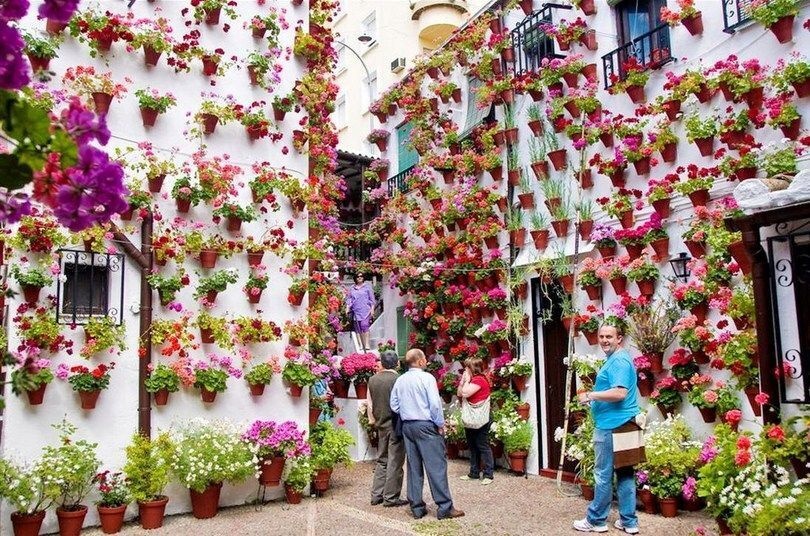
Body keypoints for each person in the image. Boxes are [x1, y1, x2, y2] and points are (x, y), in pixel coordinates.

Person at [573, 324, 640, 535]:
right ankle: (629, 522)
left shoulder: (619, 361)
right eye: (601, 336)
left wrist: (591, 396)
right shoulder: (619, 358)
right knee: (625, 473)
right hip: (626, 422)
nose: (604, 340)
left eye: (609, 336)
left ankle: (596, 520)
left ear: (619, 338)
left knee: (603, 474)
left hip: (612, 426)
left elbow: (620, 393)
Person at [390, 348, 464, 520]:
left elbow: (394, 405)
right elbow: (435, 405)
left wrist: (407, 412)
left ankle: (416, 507)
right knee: (436, 466)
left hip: (408, 425)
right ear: (421, 361)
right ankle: (444, 507)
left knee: (414, 466)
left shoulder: (400, 380)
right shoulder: (427, 378)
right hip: (425, 424)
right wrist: (439, 424)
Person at [366, 350, 407, 507]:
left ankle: (376, 495)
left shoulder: (372, 380)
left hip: (380, 424)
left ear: (381, 363)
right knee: (395, 461)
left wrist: (373, 420)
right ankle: (391, 497)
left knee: (382, 460)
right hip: (395, 425)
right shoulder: (399, 379)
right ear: (397, 363)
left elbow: (369, 404)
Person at [456, 356, 494, 485]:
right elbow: (459, 393)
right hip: (472, 417)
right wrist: (463, 382)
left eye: (467, 367)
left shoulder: (480, 380)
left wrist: (465, 381)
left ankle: (488, 474)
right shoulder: (472, 380)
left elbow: (465, 393)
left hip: (481, 417)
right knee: (472, 446)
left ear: (472, 368)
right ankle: (474, 472)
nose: (465, 370)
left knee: (482, 445)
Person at [346, 273, 374, 351]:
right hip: (356, 311)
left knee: (365, 325)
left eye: (361, 276)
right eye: (358, 276)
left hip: (366, 310)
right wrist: (347, 308)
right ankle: (361, 344)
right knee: (358, 328)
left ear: (363, 278)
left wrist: (372, 309)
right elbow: (349, 299)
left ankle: (367, 344)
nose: (359, 278)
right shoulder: (352, 288)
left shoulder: (367, 287)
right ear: (355, 278)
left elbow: (372, 300)